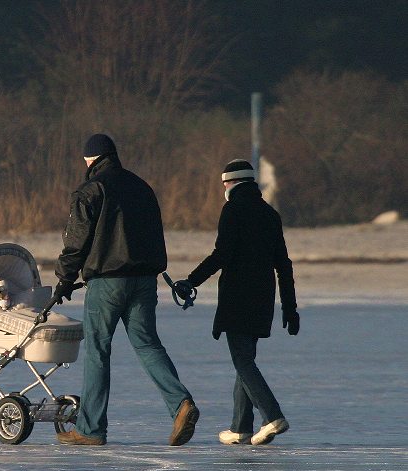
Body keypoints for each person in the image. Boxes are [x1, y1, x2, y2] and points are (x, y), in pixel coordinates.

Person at [53, 133, 198, 446]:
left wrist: (64, 279)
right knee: (147, 344)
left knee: (97, 351)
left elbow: (76, 241)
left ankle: (90, 430)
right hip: (144, 281)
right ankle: (181, 404)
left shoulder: (91, 190)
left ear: (90, 160)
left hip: (107, 282)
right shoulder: (141, 187)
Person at [174, 159, 299, 446]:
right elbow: (284, 263)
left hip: (237, 298)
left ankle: (272, 416)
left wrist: (191, 281)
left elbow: (222, 254)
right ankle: (240, 427)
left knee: (242, 360)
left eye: (224, 184)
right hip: (263, 298)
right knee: (246, 360)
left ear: (231, 183)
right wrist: (290, 308)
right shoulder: (270, 214)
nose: (224, 189)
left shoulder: (233, 210)